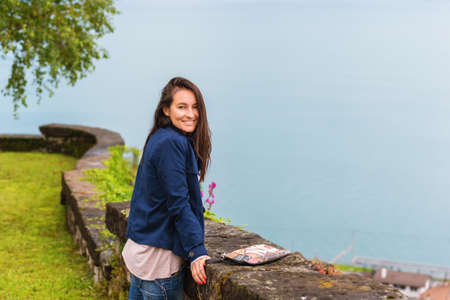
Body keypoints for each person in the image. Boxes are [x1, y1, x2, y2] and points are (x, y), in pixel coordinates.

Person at [122, 77, 212, 300]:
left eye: (195, 107)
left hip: (144, 253)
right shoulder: (172, 143)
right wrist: (196, 250)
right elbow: (178, 202)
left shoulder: (161, 138)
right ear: (166, 110)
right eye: (181, 107)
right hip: (158, 261)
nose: (190, 114)